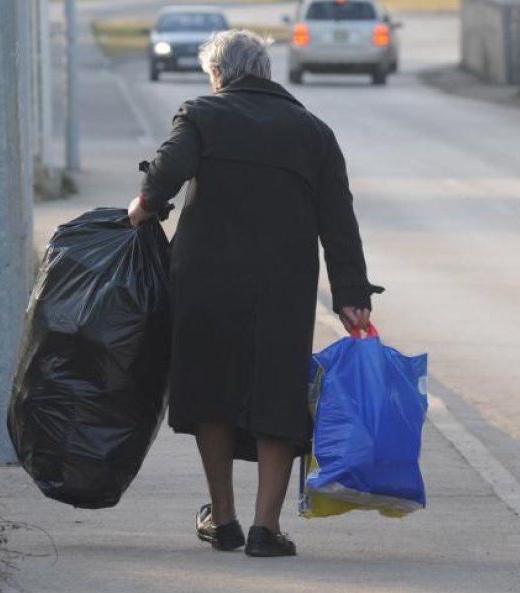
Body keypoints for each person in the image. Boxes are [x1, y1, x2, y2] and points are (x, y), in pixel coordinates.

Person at [128, 29, 382, 558]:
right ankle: (267, 529)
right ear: (264, 72)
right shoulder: (313, 132)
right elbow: (339, 218)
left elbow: (166, 174)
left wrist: (143, 206)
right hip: (282, 283)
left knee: (210, 388)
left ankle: (223, 521)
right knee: (278, 392)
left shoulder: (200, 113)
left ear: (219, 74)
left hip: (205, 278)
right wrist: (351, 294)